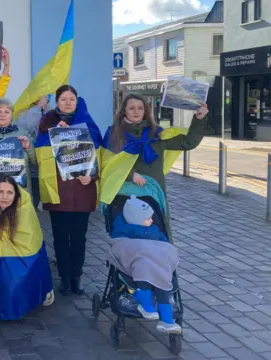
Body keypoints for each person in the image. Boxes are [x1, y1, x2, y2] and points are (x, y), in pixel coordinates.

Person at [100, 93, 209, 241]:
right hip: (124, 197)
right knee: (128, 241)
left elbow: (188, 142)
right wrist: (130, 174)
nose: (136, 111)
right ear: (124, 111)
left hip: (153, 196)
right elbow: (106, 164)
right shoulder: (114, 134)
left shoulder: (157, 134)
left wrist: (199, 119)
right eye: (131, 108)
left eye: (140, 108)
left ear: (146, 111)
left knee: (156, 237)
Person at [35, 85, 103, 296]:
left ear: (76, 100)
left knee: (80, 238)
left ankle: (77, 277)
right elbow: (40, 150)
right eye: (63, 99)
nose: (67, 102)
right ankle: (64, 278)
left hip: (82, 190)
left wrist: (91, 176)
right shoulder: (47, 122)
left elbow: (99, 154)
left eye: (71, 99)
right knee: (60, 237)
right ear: (56, 102)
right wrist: (57, 134)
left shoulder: (87, 122)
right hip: (59, 190)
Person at [0, 176, 54, 320]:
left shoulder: (23, 210)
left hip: (18, 256)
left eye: (9, 193)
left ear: (16, 194)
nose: (4, 197)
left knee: (13, 283)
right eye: (0, 192)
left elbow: (27, 238)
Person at [108, 195, 180, 334]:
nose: (152, 221)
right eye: (148, 219)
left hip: (156, 262)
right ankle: (145, 302)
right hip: (140, 260)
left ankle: (167, 319)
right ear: (136, 220)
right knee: (145, 264)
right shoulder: (125, 229)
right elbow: (121, 245)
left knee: (161, 273)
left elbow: (164, 244)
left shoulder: (154, 230)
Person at [15, 95, 51, 207]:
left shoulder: (49, 111)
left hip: (45, 164)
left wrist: (46, 108)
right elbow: (25, 126)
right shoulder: (22, 110)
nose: (43, 98)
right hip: (30, 169)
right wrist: (37, 108)